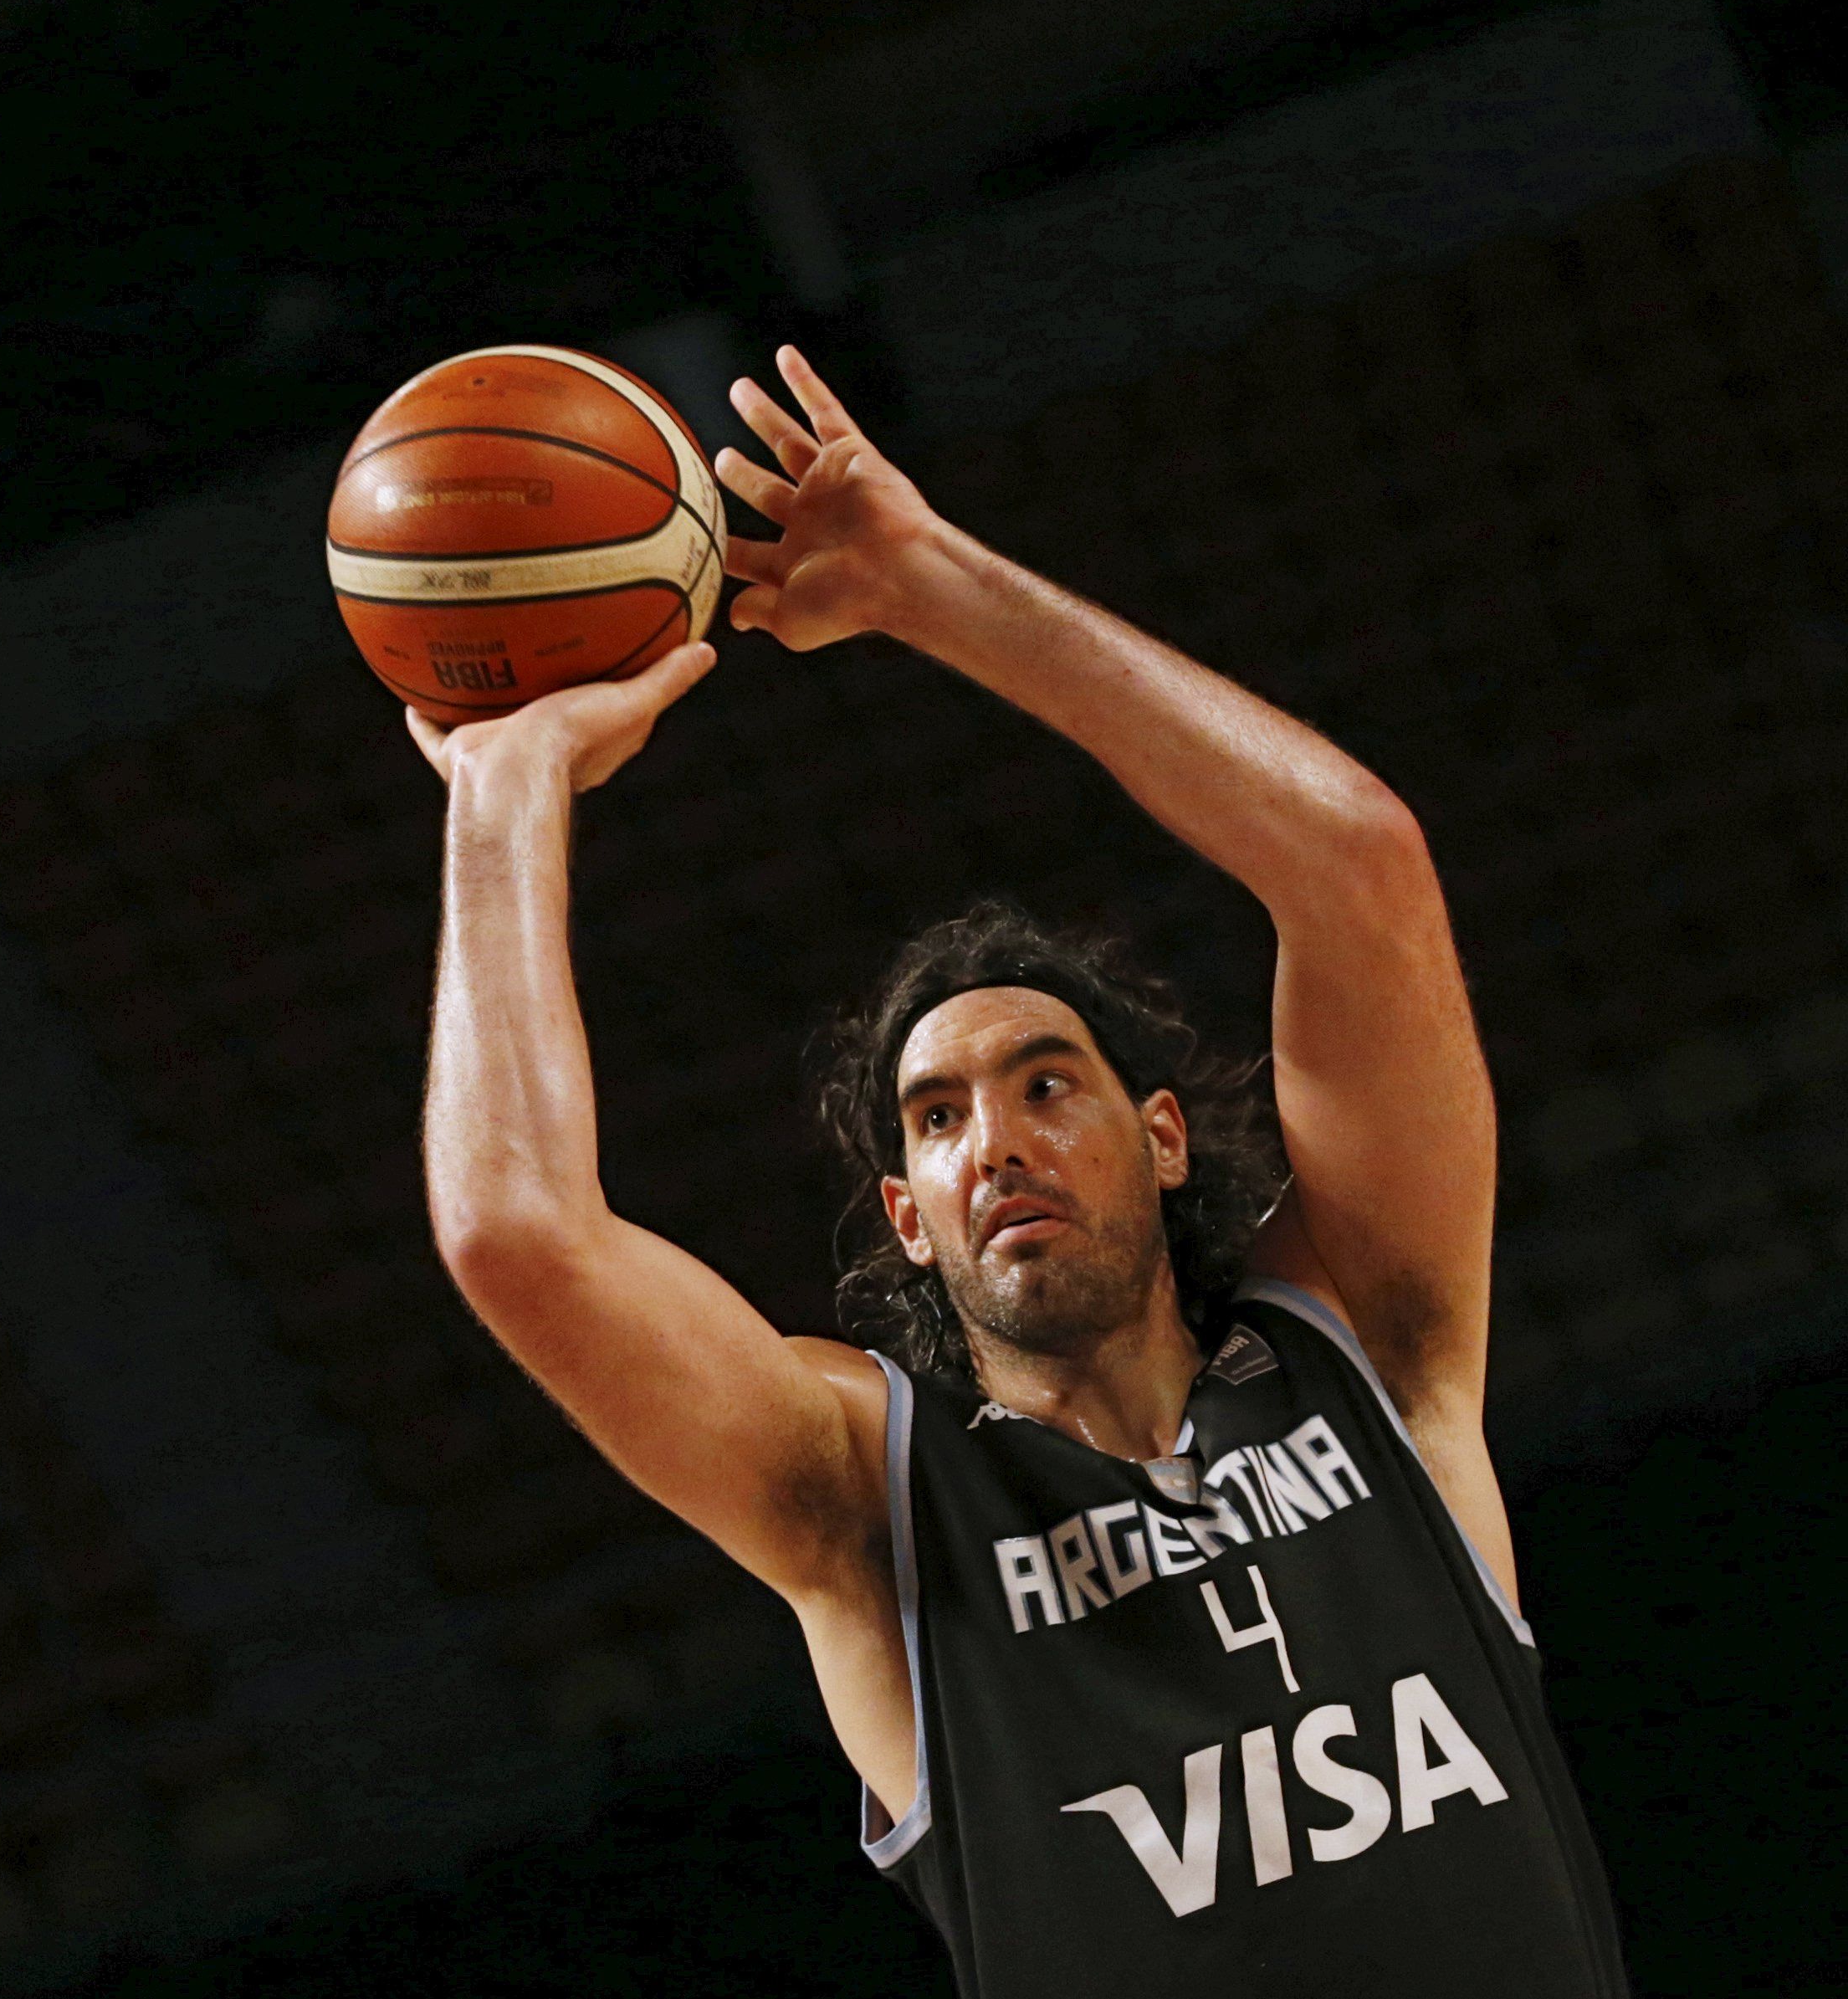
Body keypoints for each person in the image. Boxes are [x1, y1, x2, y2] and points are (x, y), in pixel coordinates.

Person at [407, 347, 1627, 1995]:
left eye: (1046, 1081)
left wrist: (934, 585)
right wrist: (503, 789)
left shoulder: (1373, 1348)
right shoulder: (869, 1499)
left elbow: (1360, 870)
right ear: (908, 1220)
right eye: (935, 1117)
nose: (993, 1137)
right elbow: (516, 1234)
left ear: (1163, 1134)